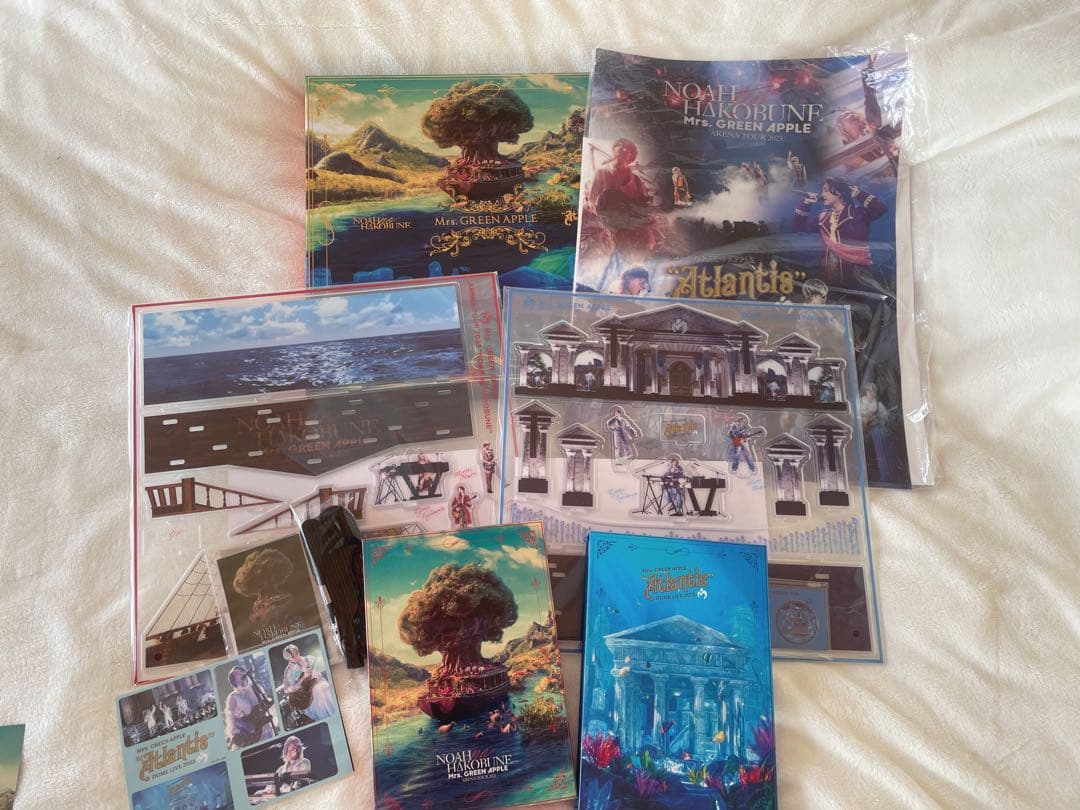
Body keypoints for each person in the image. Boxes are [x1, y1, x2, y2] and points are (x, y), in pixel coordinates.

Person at [793, 178, 886, 286]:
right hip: (829, 278)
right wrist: (806, 203)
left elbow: (881, 208)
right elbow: (798, 227)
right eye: (822, 191)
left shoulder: (858, 213)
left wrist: (857, 193)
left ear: (839, 192)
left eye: (826, 190)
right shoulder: (823, 217)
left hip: (856, 278)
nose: (822, 194)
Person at [280, 644, 335, 724]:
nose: (296, 657)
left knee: (323, 688)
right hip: (307, 693)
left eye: (297, 653)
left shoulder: (309, 658)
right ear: (288, 658)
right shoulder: (288, 670)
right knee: (317, 691)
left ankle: (334, 713)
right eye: (293, 656)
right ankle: (327, 719)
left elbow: (322, 666)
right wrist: (303, 677)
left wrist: (317, 668)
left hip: (320, 683)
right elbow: (287, 689)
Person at [224, 665, 275, 749]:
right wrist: (245, 734)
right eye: (236, 673)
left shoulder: (256, 687)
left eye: (241, 670)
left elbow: (266, 703)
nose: (240, 672)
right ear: (233, 681)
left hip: (267, 731)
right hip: (251, 736)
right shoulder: (233, 698)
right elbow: (233, 721)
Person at [860, 382, 893, 481]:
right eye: (870, 391)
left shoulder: (879, 404)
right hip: (862, 431)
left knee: (879, 434)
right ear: (866, 392)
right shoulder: (859, 402)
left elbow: (886, 417)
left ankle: (885, 474)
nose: (872, 394)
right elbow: (854, 416)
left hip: (874, 431)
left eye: (874, 392)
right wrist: (865, 419)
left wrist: (878, 420)